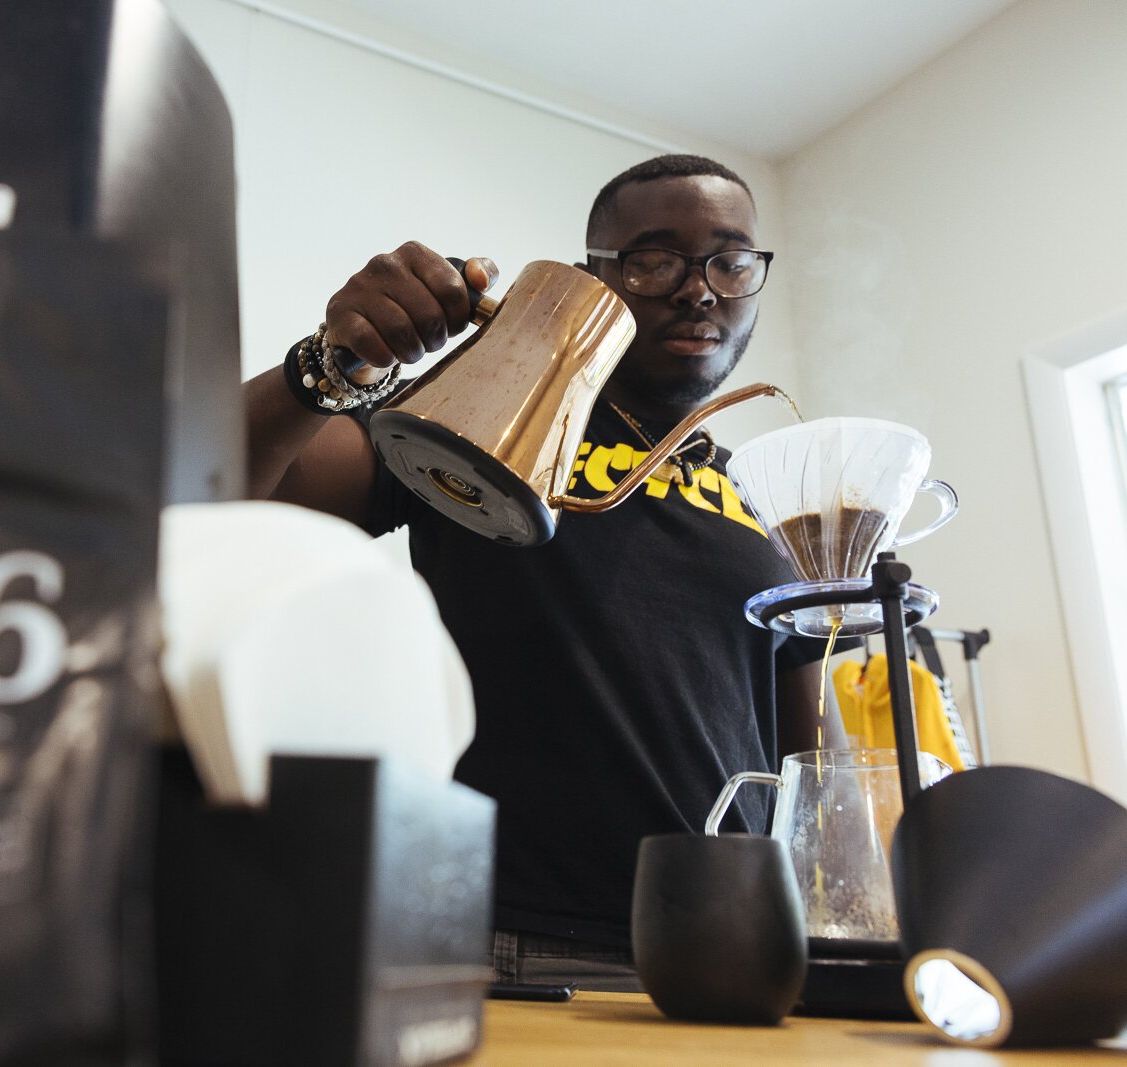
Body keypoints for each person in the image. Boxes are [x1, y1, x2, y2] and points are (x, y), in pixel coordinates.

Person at [243, 154, 842, 989]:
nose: (699, 289)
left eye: (730, 260)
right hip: (515, 941)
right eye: (655, 259)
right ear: (594, 276)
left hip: (737, 947)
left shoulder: (763, 501)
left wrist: (838, 920)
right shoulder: (492, 413)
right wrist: (332, 365)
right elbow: (226, 487)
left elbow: (817, 758)